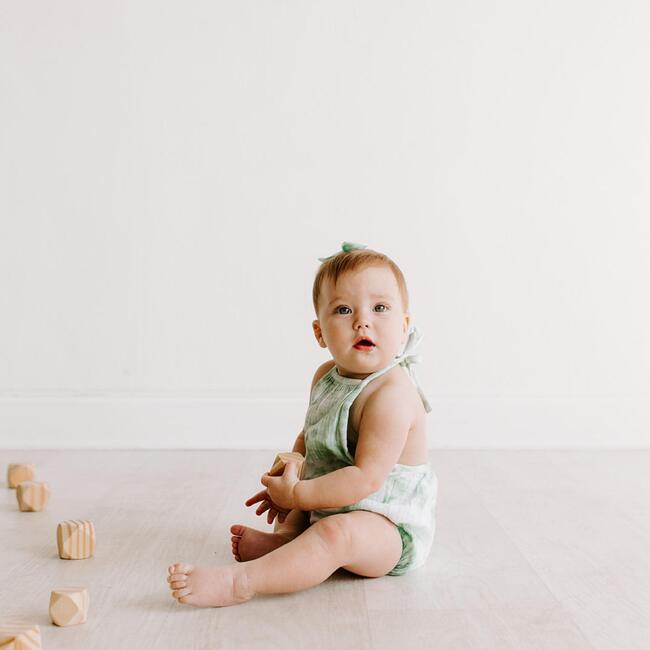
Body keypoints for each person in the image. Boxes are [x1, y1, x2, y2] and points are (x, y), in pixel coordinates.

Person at [167, 241, 438, 607]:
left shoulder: (391, 395)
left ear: (404, 325)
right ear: (320, 332)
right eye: (343, 309)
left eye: (380, 308)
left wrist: (298, 494)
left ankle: (240, 583)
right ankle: (287, 544)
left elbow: (364, 480)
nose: (363, 320)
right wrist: (291, 471)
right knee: (306, 506)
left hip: (386, 528)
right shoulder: (326, 376)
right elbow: (311, 438)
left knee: (336, 534)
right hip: (333, 499)